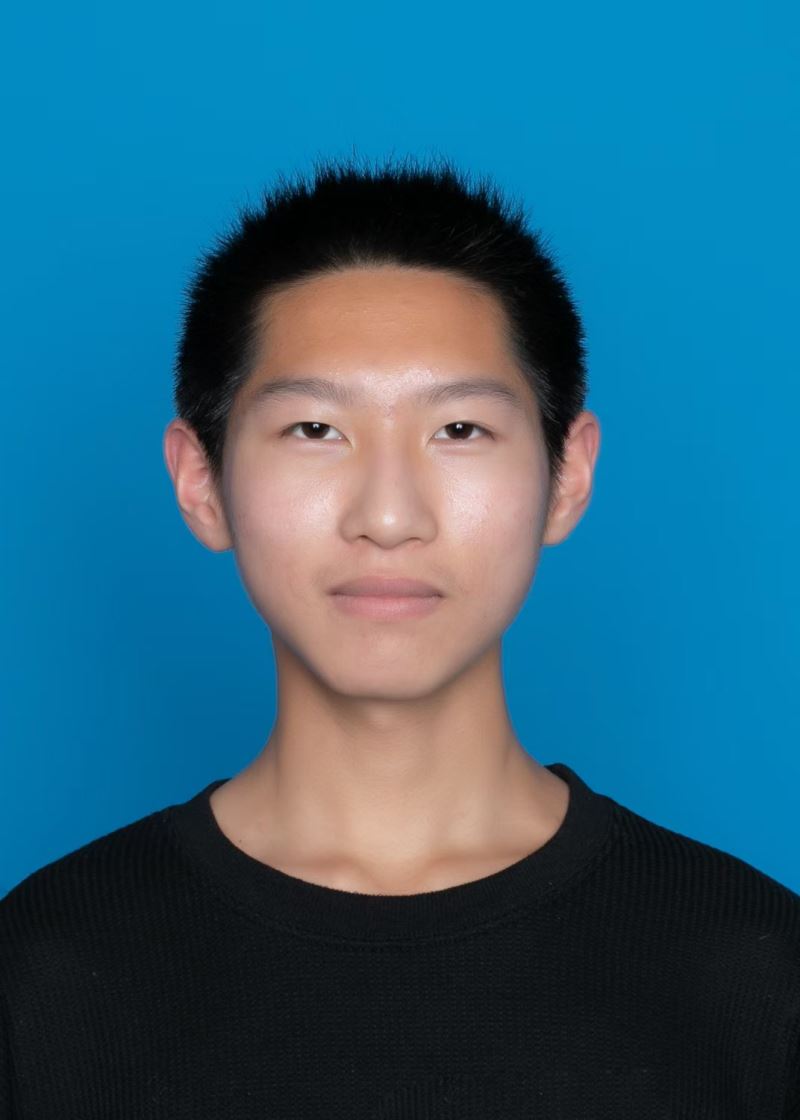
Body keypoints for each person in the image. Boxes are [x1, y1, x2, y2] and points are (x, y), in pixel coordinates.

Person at [1, 154, 798, 1119]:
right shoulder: (42, 974)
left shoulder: (757, 976)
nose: (388, 517)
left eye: (459, 430)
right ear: (200, 482)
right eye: (314, 430)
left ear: (568, 477)